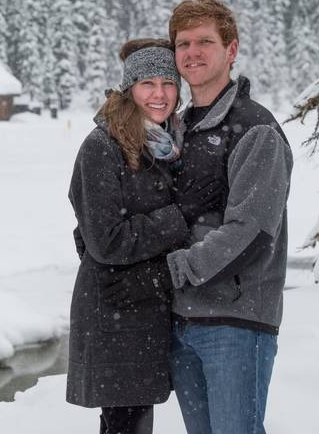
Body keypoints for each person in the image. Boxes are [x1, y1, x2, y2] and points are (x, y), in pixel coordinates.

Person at [67, 38, 222, 434]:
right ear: (129, 89)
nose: (159, 94)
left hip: (146, 308)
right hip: (115, 313)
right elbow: (106, 240)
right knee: (127, 425)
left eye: (168, 83)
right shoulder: (102, 147)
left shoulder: (166, 143)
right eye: (147, 84)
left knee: (132, 423)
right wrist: (179, 215)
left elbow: (91, 234)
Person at [166, 0, 293, 434]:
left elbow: (251, 230)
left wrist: (179, 267)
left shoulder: (255, 129)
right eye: (183, 43)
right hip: (182, 321)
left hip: (237, 323)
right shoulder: (177, 129)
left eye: (205, 41)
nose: (193, 52)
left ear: (231, 49)